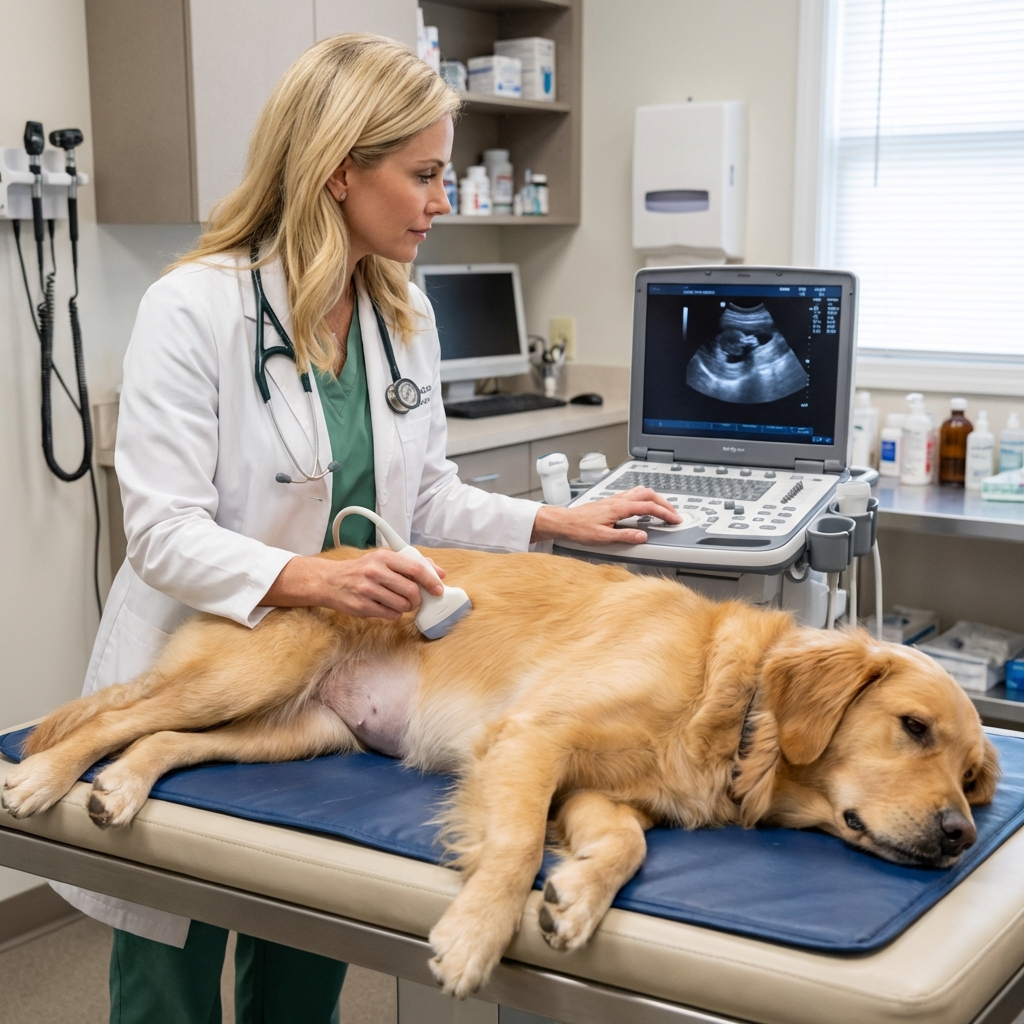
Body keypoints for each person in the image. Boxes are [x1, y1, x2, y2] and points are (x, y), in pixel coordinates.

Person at [55, 33, 680, 1024]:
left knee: (302, 950)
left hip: (327, 684)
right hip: (205, 655)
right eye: (424, 174)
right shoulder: (195, 307)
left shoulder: (403, 312)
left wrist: (553, 518)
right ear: (342, 168)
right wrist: (313, 582)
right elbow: (163, 536)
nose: (444, 200)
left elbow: (423, 501)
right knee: (168, 977)